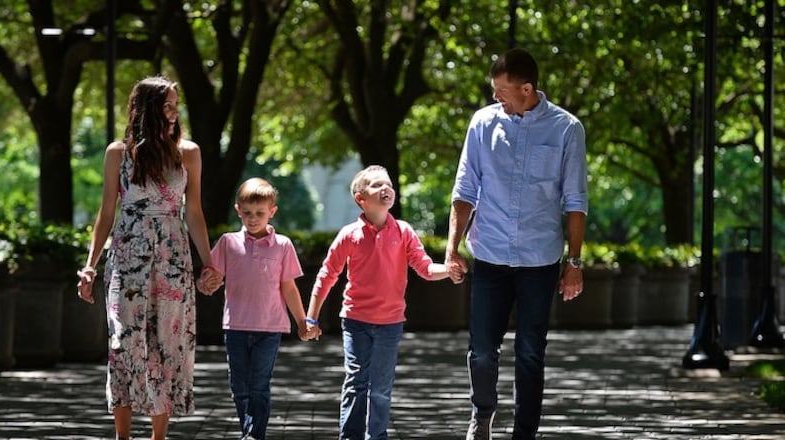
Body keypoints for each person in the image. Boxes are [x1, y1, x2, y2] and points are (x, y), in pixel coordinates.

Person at [445, 48, 588, 440]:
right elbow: (464, 191)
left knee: (529, 352)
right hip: (489, 255)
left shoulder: (566, 129)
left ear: (527, 89)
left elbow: (575, 201)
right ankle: (483, 412)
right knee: (482, 351)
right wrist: (452, 248)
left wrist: (574, 263)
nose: (496, 98)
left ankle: (525, 433)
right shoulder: (481, 124)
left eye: (502, 91)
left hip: (539, 261)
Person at [76, 75, 220, 440]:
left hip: (172, 256)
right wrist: (91, 265)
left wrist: (209, 263)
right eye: (167, 105)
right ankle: (122, 436)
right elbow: (106, 213)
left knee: (167, 343)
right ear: (148, 109)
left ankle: (159, 436)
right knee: (123, 342)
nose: (174, 112)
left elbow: (195, 213)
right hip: (127, 255)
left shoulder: (188, 152)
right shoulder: (117, 153)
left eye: (175, 105)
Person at [305, 165, 462, 439]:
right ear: (361, 199)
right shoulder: (349, 235)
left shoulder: (402, 231)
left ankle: (376, 436)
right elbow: (327, 275)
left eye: (388, 184)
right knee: (357, 381)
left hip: (390, 324)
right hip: (355, 321)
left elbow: (424, 268)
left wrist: (448, 270)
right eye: (377, 185)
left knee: (381, 387)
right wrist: (311, 317)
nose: (385, 188)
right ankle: (350, 435)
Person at [203, 177, 320, 440]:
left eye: (259, 213)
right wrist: (205, 283)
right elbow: (211, 277)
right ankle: (249, 431)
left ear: (272, 212)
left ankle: (255, 435)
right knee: (239, 387)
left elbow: (289, 288)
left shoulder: (283, 245)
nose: (253, 218)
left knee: (259, 385)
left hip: (270, 328)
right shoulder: (227, 243)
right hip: (235, 328)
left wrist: (302, 321)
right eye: (247, 213)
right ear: (238, 211)